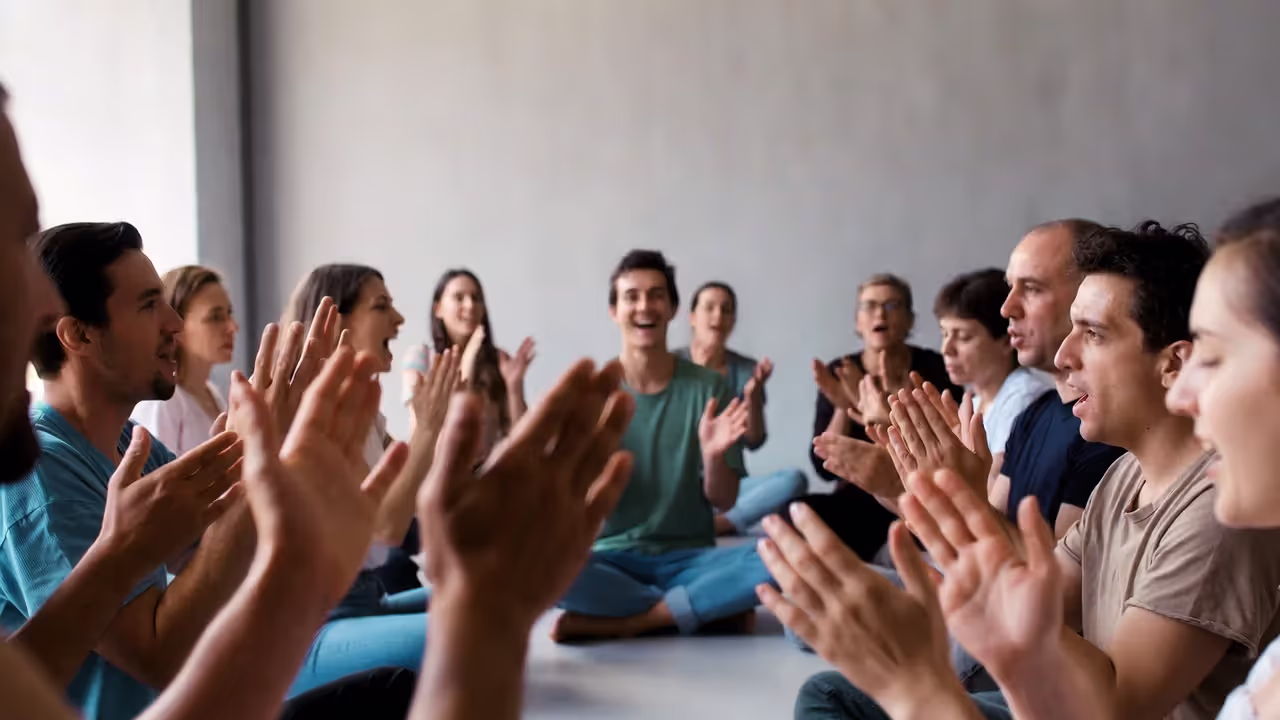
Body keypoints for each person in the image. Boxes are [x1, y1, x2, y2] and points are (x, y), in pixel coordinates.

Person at [772, 220, 1280, 720]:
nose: (1064, 354)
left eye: (1094, 334)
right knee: (830, 689)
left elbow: (1113, 703)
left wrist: (919, 682)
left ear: (1172, 363)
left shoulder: (1215, 513)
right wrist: (950, 512)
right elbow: (1044, 601)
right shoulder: (1125, 473)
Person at [550, 250, 772, 642]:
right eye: (631, 296)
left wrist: (713, 455)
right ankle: (697, 610)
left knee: (779, 556)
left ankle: (636, 621)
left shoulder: (709, 387)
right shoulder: (592, 395)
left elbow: (723, 500)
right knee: (546, 564)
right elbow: (572, 504)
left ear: (671, 309)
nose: (644, 306)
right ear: (613, 310)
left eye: (655, 295)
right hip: (611, 559)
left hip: (690, 557)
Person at [801, 272, 961, 559]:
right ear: (857, 321)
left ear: (910, 320)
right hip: (856, 496)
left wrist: (894, 410)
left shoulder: (934, 367)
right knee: (799, 513)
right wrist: (843, 405)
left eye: (891, 305)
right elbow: (821, 467)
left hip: (911, 492)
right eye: (870, 306)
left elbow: (952, 448)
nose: (880, 314)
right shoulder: (840, 370)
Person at [675, 280, 807, 535]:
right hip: (677, 487)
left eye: (726, 309)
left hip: (728, 489)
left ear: (733, 320)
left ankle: (720, 525)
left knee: (793, 480)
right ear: (692, 317)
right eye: (710, 307)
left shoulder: (746, 369)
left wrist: (753, 396)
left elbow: (753, 440)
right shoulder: (671, 364)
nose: (718, 315)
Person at [402, 268, 534, 463]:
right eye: (458, 297)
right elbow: (421, 436)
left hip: (491, 480)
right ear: (438, 309)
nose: (470, 305)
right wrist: (467, 362)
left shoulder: (499, 360)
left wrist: (514, 388)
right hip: (439, 477)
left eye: (476, 298)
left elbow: (522, 441)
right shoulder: (421, 358)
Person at [933, 268, 1051, 461]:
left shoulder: (1024, 401)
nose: (946, 349)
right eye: (945, 334)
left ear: (1006, 340)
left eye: (963, 337)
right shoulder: (974, 401)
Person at [131, 266, 238, 455]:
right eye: (215, 317)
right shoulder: (163, 402)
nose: (232, 327)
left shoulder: (214, 395)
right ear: (176, 326)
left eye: (229, 313)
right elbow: (156, 478)